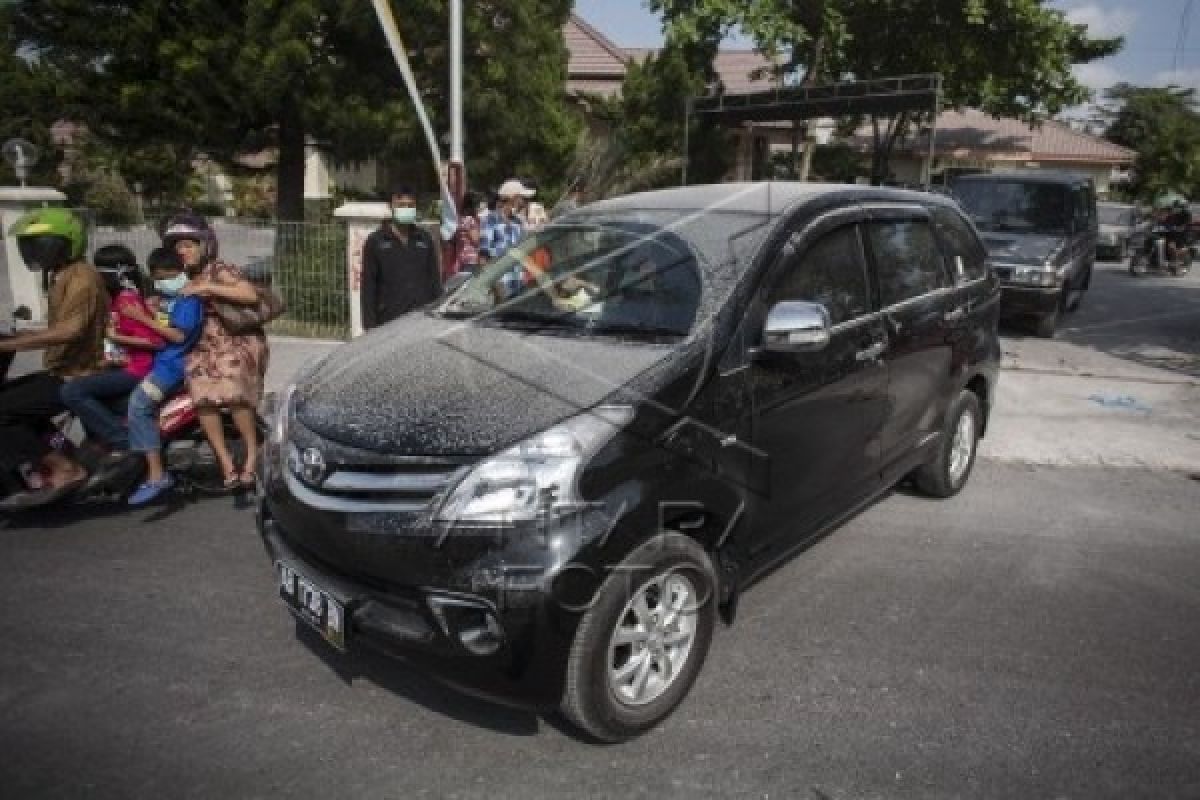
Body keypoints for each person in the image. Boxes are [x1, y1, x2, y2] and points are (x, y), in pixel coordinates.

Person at [0, 208, 108, 503]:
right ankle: (51, 457)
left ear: (63, 244)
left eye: (39, 244)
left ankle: (65, 468)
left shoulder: (82, 279)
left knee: (4, 410)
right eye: (29, 245)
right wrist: (13, 337)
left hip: (79, 373)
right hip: (61, 370)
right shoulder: (61, 276)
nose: (32, 251)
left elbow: (69, 332)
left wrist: (9, 346)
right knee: (13, 399)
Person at [165, 212, 269, 490]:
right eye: (178, 248)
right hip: (203, 344)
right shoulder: (179, 277)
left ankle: (250, 456)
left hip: (235, 339)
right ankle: (225, 463)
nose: (183, 252)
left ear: (204, 245)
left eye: (188, 245)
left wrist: (209, 287)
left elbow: (249, 295)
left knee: (233, 391)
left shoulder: (219, 269)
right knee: (201, 397)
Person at [120, 250, 206, 505]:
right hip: (160, 362)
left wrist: (142, 318)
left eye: (159, 277)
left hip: (171, 368)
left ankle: (157, 474)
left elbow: (179, 336)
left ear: (173, 272)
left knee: (139, 404)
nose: (158, 283)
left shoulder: (190, 300)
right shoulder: (175, 297)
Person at [60, 245, 164, 454]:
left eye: (98, 270)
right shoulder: (118, 299)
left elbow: (154, 342)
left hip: (138, 369)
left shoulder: (127, 299)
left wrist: (114, 336)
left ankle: (123, 440)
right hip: (127, 364)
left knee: (72, 392)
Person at [360, 186, 442, 329]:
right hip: (388, 321)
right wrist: (369, 326)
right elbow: (368, 288)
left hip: (421, 321)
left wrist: (438, 317)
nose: (406, 209)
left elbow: (434, 281)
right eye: (401, 205)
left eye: (410, 205)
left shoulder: (424, 239)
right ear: (391, 206)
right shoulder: (376, 241)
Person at [481, 179, 534, 262]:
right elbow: (484, 252)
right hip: (497, 272)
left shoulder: (518, 221)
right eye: (522, 198)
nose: (524, 202)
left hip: (516, 272)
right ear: (512, 198)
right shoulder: (491, 220)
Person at [450, 190, 482, 276]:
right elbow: (476, 240)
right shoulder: (470, 220)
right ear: (473, 205)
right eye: (478, 205)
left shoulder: (460, 219)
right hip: (470, 259)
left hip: (461, 257)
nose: (479, 208)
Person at [1164, 199, 1192, 263]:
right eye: (1175, 206)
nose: (1176, 208)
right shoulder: (1172, 215)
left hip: (1183, 234)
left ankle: (1176, 263)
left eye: (1178, 206)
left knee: (1172, 246)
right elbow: (1166, 222)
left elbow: (1186, 224)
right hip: (1172, 233)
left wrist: (1179, 228)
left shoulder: (1186, 214)